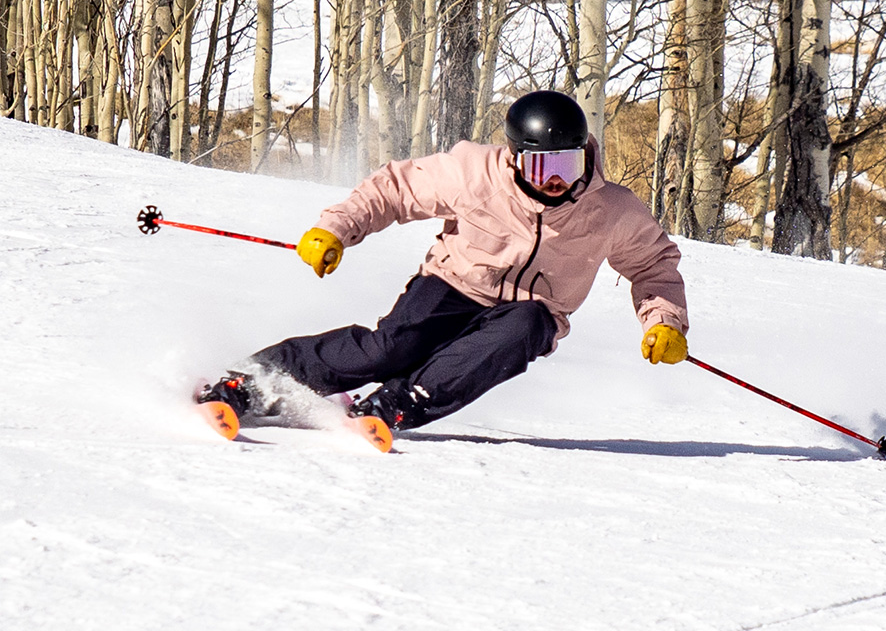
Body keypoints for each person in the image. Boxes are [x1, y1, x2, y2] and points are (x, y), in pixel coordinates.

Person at [198, 90, 689, 432]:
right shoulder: (474, 173)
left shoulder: (611, 210)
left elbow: (653, 265)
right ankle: (250, 381)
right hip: (453, 284)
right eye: (542, 166)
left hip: (532, 310)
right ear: (516, 157)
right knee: (390, 351)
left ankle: (399, 403)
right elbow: (395, 189)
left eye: (567, 163)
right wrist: (336, 228)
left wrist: (664, 322)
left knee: (521, 330)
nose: (556, 180)